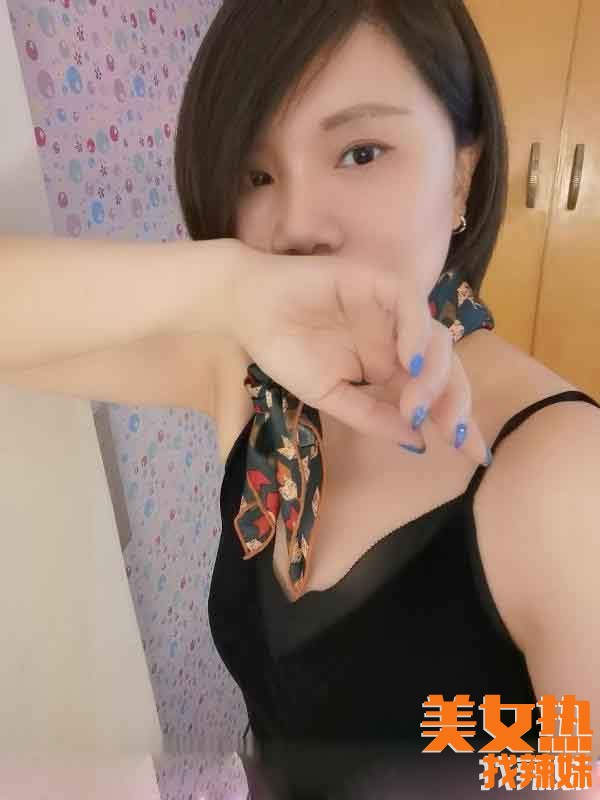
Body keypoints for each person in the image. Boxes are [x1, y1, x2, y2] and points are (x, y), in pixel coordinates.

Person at [1, 2, 598, 799]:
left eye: (360, 152)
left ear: (462, 175)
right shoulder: (249, 385)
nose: (297, 228)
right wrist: (224, 283)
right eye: (256, 175)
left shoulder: (562, 477)